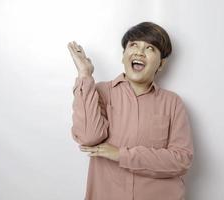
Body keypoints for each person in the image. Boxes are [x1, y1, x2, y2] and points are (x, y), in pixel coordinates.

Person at [67, 21, 194, 200]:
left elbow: (181, 160)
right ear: (123, 55)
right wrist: (85, 75)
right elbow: (88, 137)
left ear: (161, 64)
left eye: (150, 48)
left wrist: (121, 155)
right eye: (133, 45)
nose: (139, 52)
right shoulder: (101, 92)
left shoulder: (173, 102)